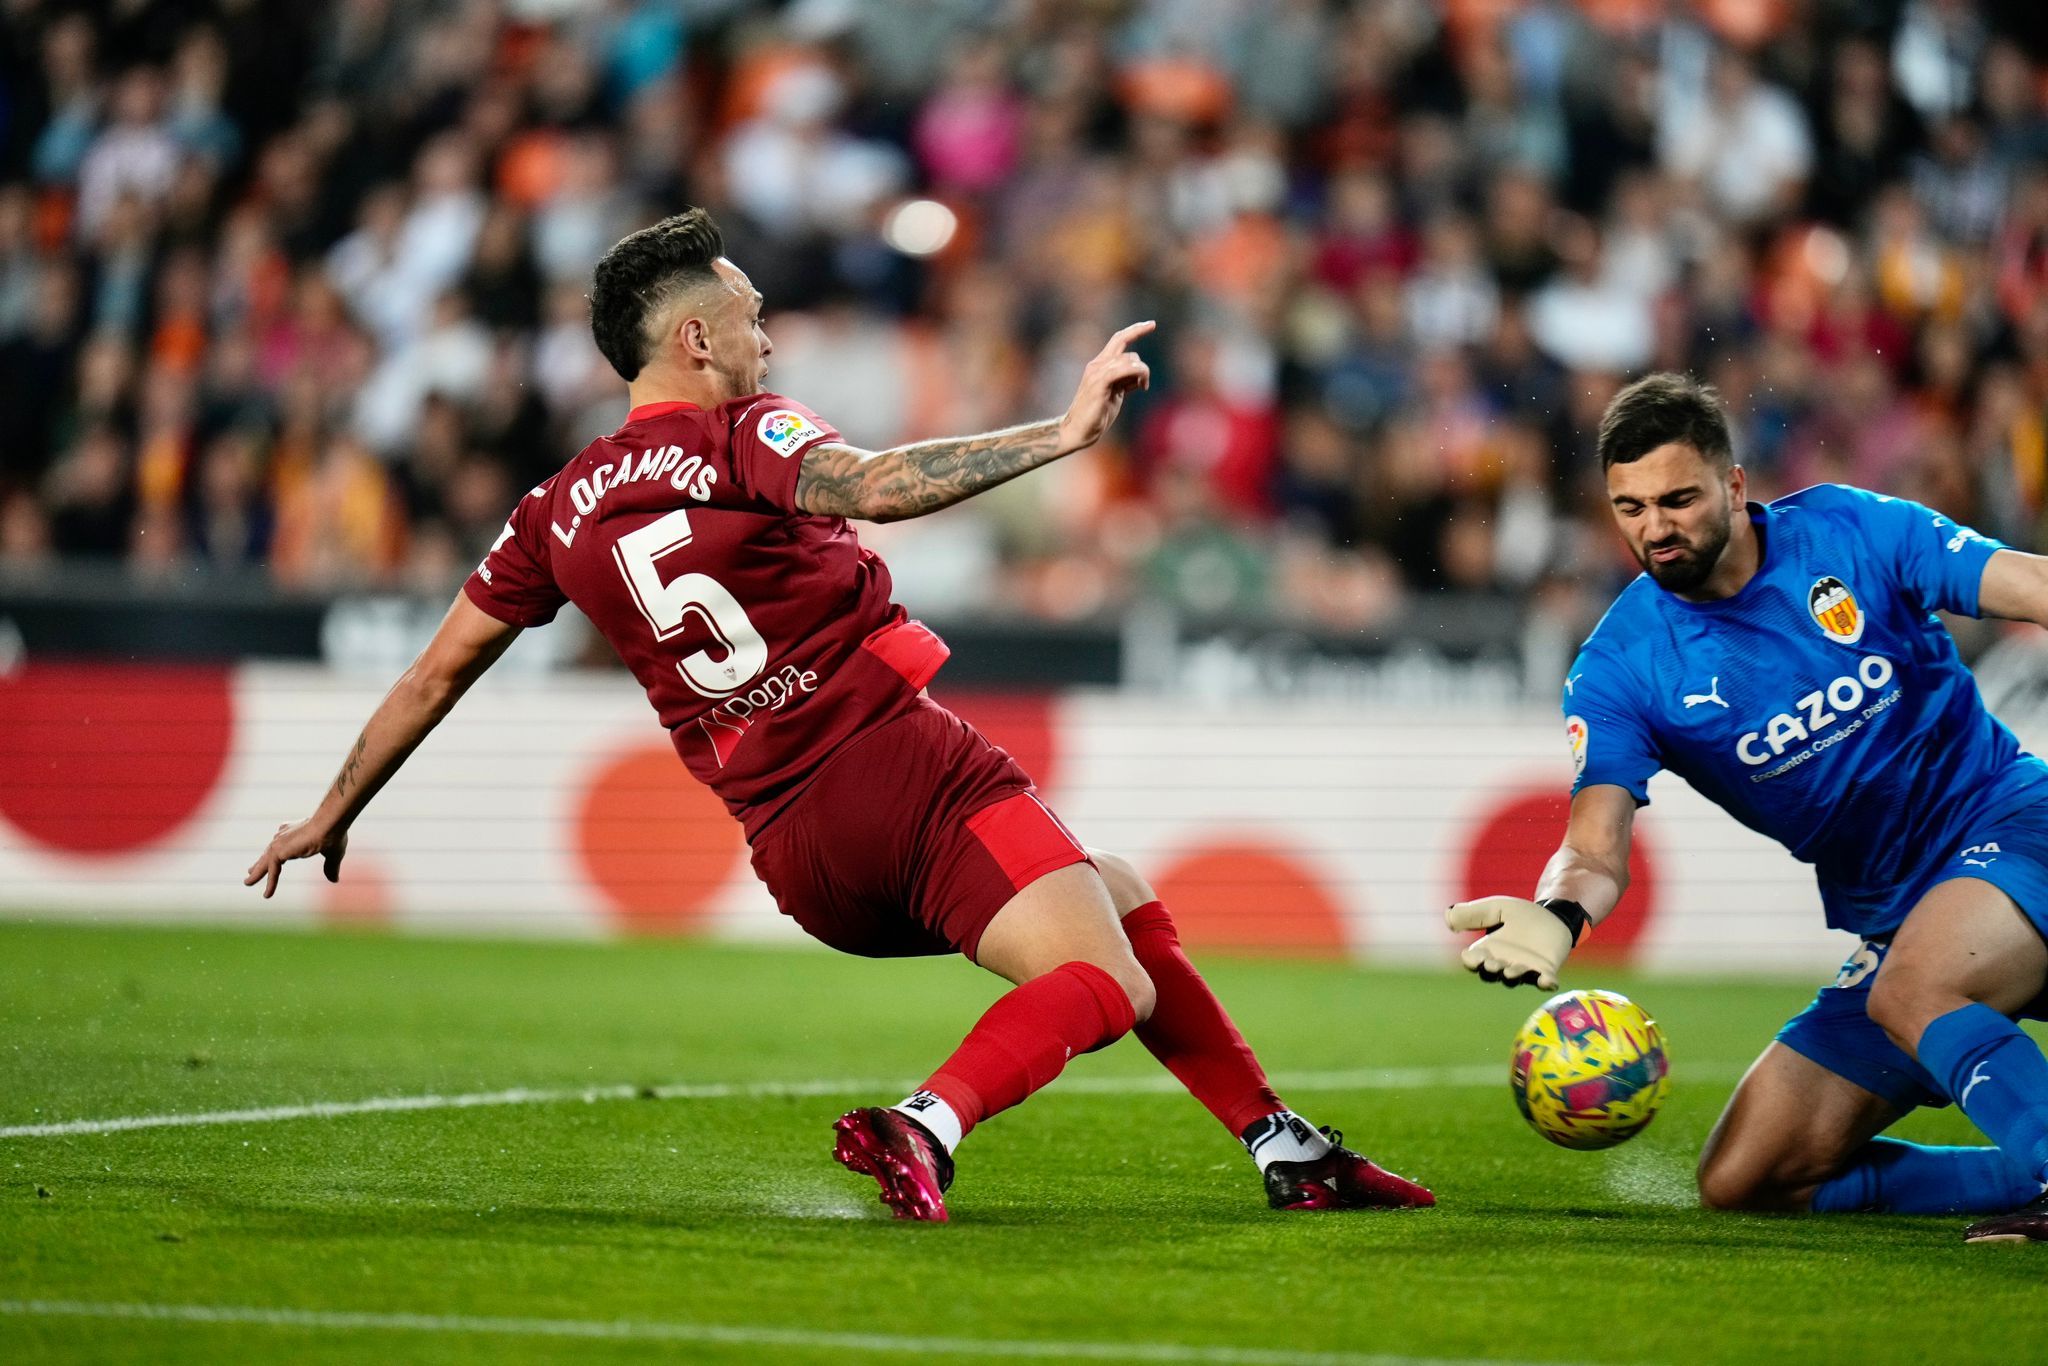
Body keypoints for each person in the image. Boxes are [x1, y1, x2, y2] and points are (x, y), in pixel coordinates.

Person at [245, 209, 1433, 1223]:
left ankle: (1284, 1147)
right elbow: (871, 485)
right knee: (1105, 982)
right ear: (696, 337)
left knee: (1110, 892)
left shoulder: (553, 511)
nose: (767, 336)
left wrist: (332, 811)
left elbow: (433, 675)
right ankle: (926, 1122)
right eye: (751, 313)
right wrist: (1059, 434)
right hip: (903, 765)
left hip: (798, 856)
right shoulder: (740, 432)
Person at [1448, 372, 2048, 1242]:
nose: (1655, 528)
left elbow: (2025, 583)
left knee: (1917, 987)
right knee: (1751, 1175)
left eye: (1678, 498)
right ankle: (2013, 1170)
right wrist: (1560, 913)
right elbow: (1597, 839)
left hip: (2011, 826)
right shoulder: (1622, 667)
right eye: (1630, 507)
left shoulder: (1850, 529)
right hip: (1897, 920)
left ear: (1733, 485)